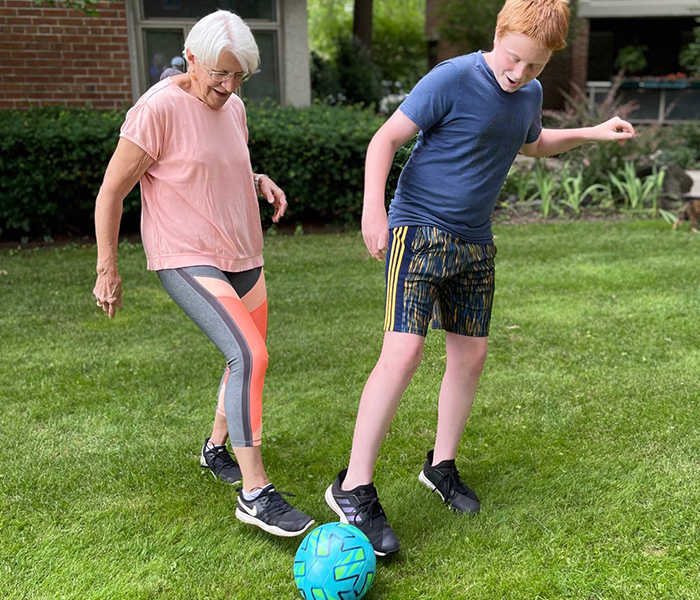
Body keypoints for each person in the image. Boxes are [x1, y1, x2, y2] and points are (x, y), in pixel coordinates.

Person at [324, 0, 635, 556]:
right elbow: (384, 141)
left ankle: (440, 466)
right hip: (418, 230)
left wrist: (593, 132)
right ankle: (352, 486)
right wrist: (374, 212)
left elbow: (532, 143)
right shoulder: (451, 78)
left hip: (475, 242)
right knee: (403, 354)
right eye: (513, 59)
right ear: (499, 34)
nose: (519, 74)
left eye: (534, 67)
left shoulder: (530, 94)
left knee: (470, 356)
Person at [93, 10, 314, 538]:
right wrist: (107, 268)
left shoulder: (233, 107)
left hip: (242, 249)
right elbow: (111, 192)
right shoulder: (157, 109)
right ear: (191, 56)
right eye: (220, 72)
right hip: (186, 254)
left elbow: (215, 159)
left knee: (248, 357)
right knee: (249, 354)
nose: (229, 85)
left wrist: (256, 177)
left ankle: (217, 448)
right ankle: (256, 494)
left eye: (239, 75)